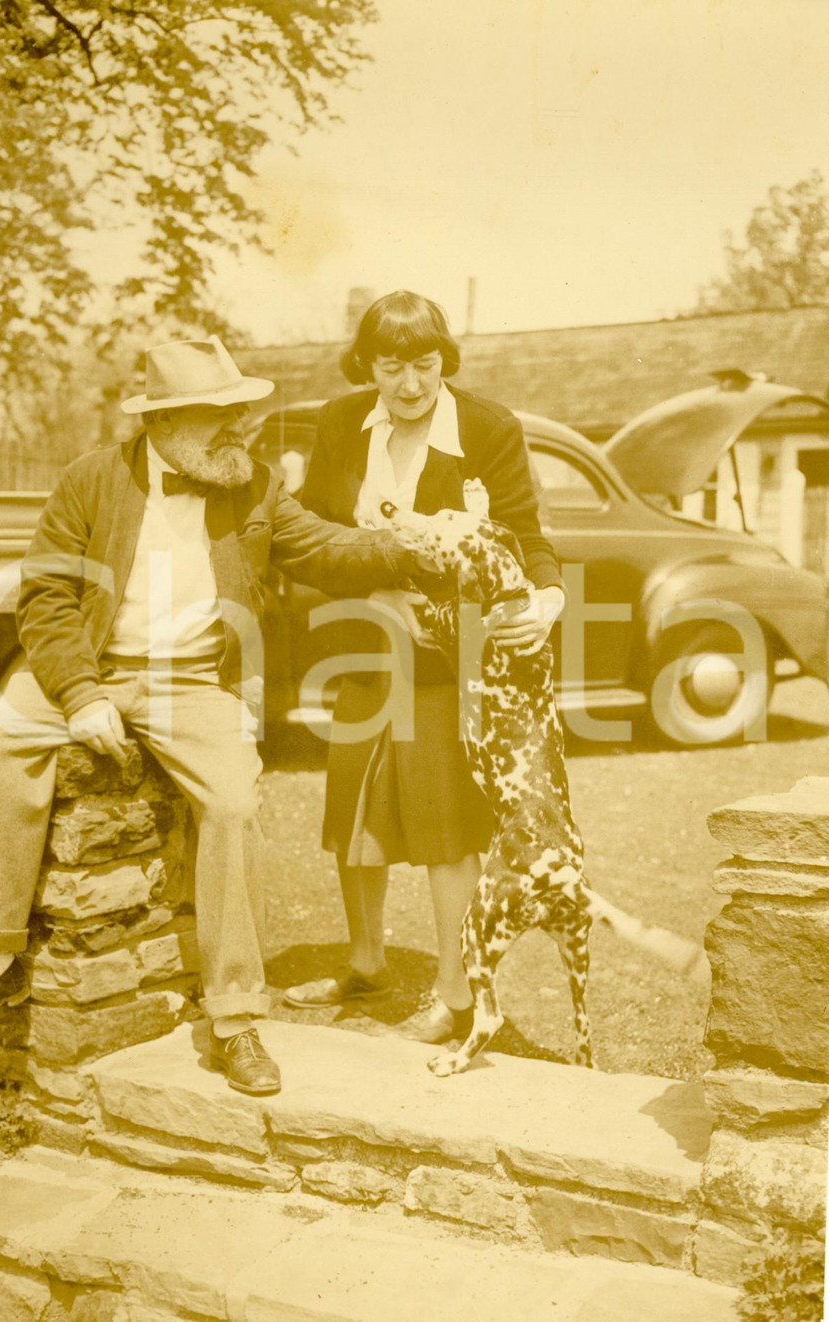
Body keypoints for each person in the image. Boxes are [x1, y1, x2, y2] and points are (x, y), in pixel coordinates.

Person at [0, 335, 425, 1096]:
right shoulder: (89, 481)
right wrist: (81, 696)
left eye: (242, 413)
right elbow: (46, 598)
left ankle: (237, 1018)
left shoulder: (253, 487)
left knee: (234, 804)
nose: (241, 430)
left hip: (193, 682)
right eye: (221, 418)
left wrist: (416, 549)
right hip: (82, 668)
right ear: (165, 425)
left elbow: (324, 550)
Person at [284, 291, 565, 1043]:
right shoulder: (342, 424)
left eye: (425, 364)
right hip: (363, 642)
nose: (410, 385)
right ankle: (367, 961)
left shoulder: (486, 427)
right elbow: (308, 532)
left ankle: (457, 993)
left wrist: (547, 597)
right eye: (391, 365)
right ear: (366, 365)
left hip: (449, 656)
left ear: (444, 359)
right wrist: (369, 587)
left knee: (445, 823)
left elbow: (524, 532)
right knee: (354, 807)